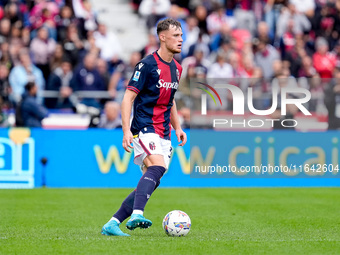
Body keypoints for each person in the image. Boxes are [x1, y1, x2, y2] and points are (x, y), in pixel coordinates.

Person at [101, 18, 187, 236]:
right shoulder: (146, 65)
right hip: (144, 126)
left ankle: (112, 223)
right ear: (162, 37)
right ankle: (137, 214)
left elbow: (171, 100)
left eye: (181, 35)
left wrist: (178, 127)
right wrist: (126, 131)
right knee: (157, 168)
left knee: (154, 179)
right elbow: (127, 98)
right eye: (176, 35)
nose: (181, 39)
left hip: (164, 132)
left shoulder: (177, 68)